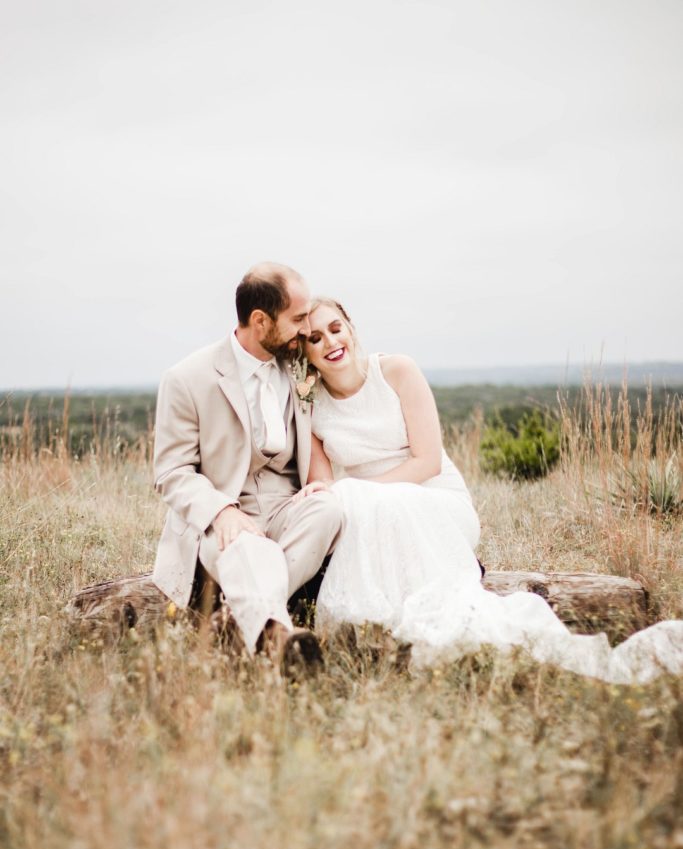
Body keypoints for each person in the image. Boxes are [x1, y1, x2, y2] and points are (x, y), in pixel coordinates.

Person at [295, 297, 683, 685]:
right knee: (348, 502)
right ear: (306, 352)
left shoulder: (396, 371)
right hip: (377, 514)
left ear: (351, 328)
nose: (330, 342)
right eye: (315, 338)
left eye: (335, 328)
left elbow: (427, 462)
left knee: (363, 498)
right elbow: (327, 488)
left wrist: (360, 490)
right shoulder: (312, 408)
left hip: (435, 500)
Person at [152, 264, 344, 672]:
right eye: (297, 318)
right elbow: (171, 472)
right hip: (222, 515)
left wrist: (319, 485)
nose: (306, 328)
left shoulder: (297, 365)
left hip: (287, 509)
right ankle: (278, 640)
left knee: (330, 509)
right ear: (260, 321)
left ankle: (241, 620)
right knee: (242, 546)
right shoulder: (187, 378)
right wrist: (221, 511)